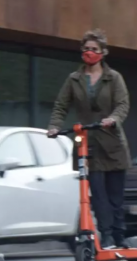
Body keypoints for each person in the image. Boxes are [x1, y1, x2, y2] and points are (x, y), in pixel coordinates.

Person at [47, 28, 131, 249]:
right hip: (87, 144)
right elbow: (61, 105)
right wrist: (55, 126)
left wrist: (113, 119)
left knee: (115, 196)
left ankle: (120, 234)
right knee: (98, 194)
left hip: (112, 144)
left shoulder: (114, 78)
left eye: (94, 49)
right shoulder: (74, 79)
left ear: (103, 52)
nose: (89, 52)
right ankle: (107, 236)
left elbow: (122, 104)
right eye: (86, 49)